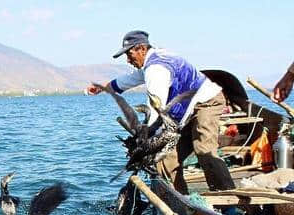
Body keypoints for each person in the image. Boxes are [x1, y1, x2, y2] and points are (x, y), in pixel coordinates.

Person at [86, 30, 235, 195]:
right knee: (165, 157)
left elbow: (156, 110)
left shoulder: (156, 70)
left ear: (142, 48)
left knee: (203, 148)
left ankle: (228, 199)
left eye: (129, 54)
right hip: (187, 110)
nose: (128, 60)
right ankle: (180, 201)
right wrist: (102, 87)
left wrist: (146, 141)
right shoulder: (152, 59)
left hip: (207, 102)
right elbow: (129, 80)